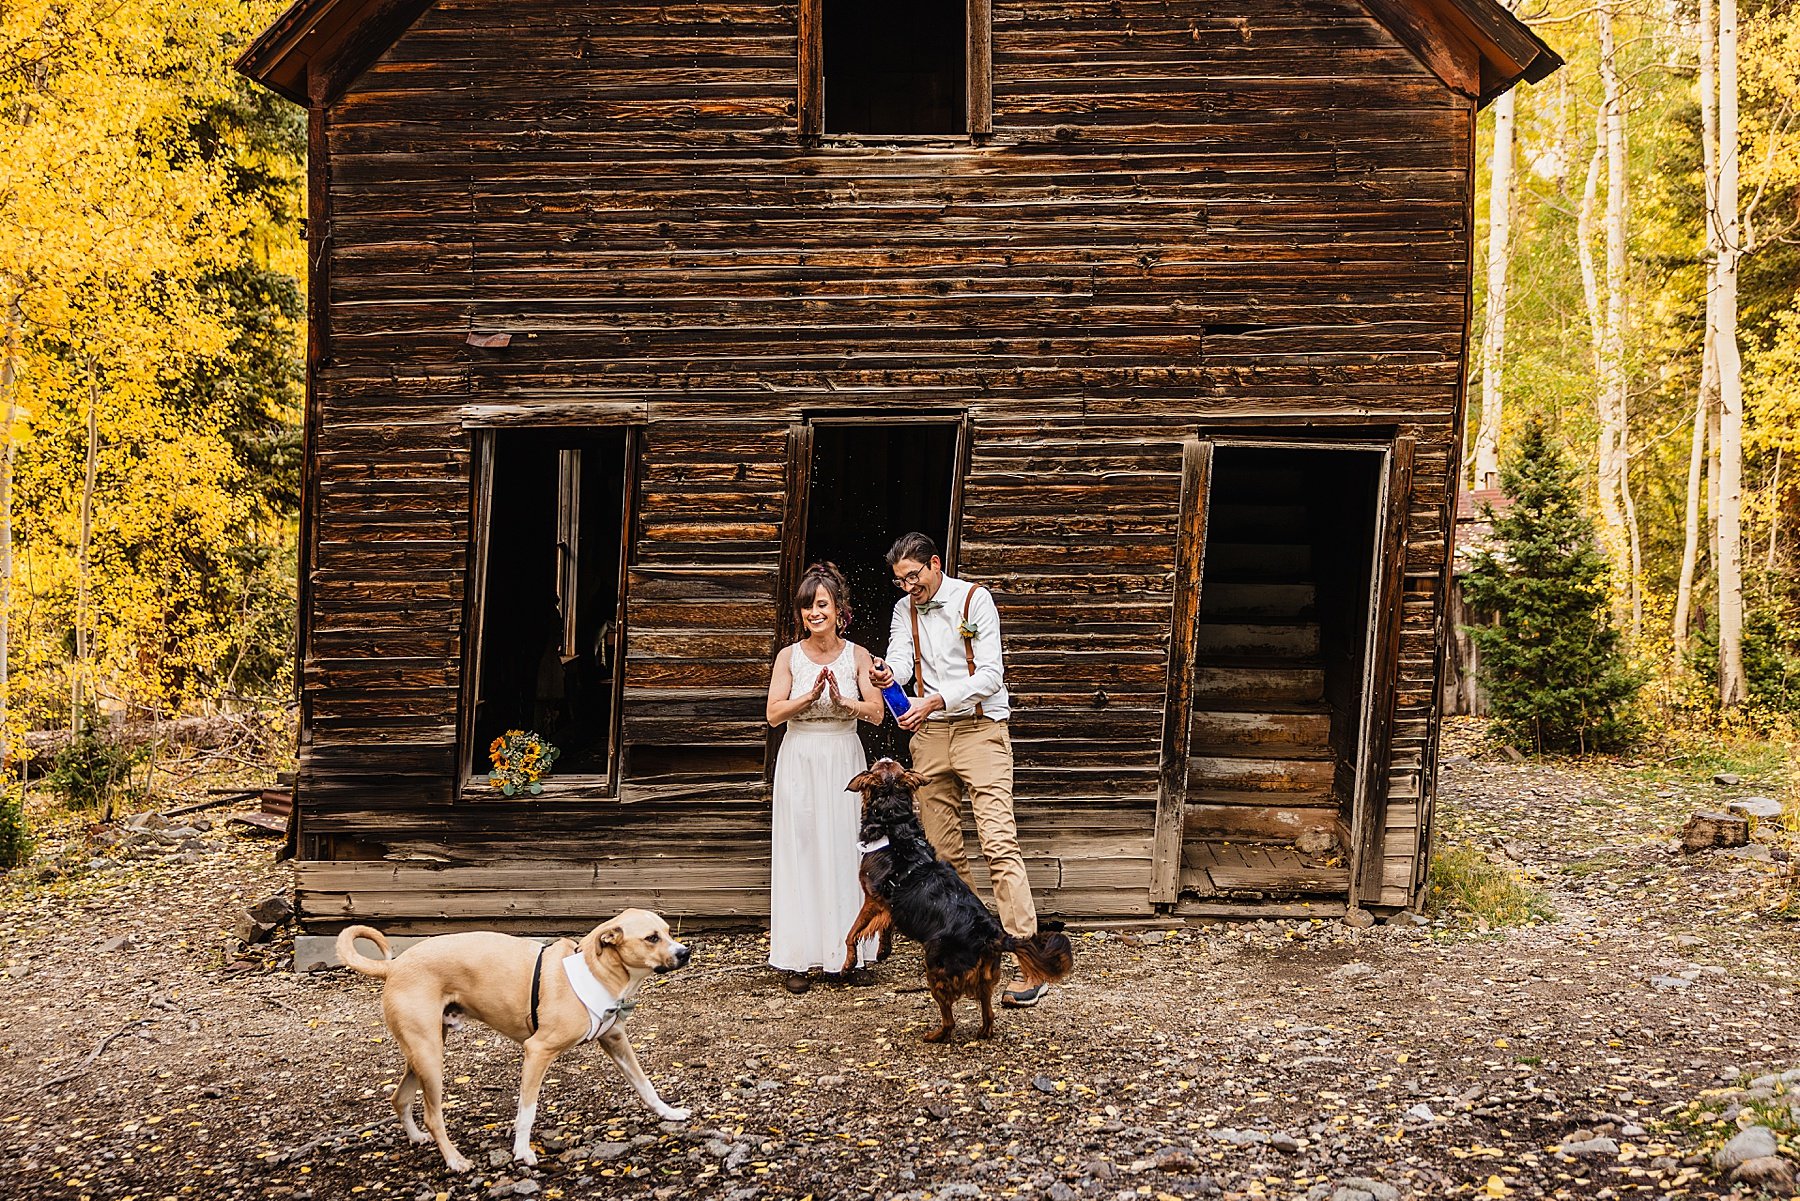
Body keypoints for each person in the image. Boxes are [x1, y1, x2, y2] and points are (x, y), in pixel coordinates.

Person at [869, 532, 1047, 1008]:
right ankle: (974, 945)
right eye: (900, 581)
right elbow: (904, 663)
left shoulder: (975, 599)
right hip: (929, 737)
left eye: (914, 576)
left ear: (934, 564)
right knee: (944, 851)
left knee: (998, 841)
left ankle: (1030, 962)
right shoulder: (904, 609)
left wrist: (936, 700)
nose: (909, 587)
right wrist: (890, 675)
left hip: (979, 730)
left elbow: (991, 673)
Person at [765, 562, 885, 994]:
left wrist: (841, 700)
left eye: (821, 605)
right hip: (800, 756)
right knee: (803, 847)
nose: (813, 614)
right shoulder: (788, 657)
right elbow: (773, 714)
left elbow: (875, 712)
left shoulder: (858, 655)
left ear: (839, 610)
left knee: (844, 849)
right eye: (806, 608)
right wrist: (809, 697)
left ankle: (850, 953)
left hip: (842, 755)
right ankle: (799, 957)